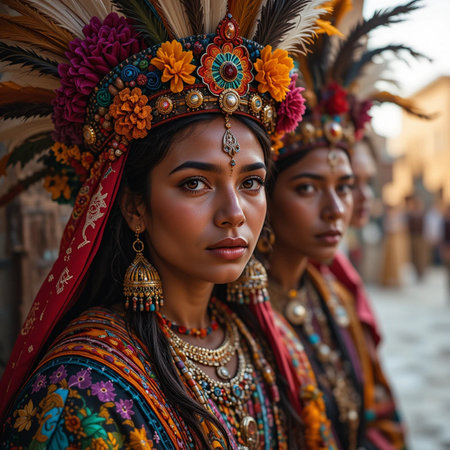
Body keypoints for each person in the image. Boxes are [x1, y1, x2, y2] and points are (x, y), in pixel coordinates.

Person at [0, 3, 336, 448]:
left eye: (251, 182)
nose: (234, 212)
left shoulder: (276, 349)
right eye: (195, 183)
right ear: (134, 206)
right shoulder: (80, 393)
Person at [259, 1, 432, 448]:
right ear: (264, 197)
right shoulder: (243, 313)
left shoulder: (333, 296)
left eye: (346, 186)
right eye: (307, 188)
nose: (337, 209)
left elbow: (379, 414)